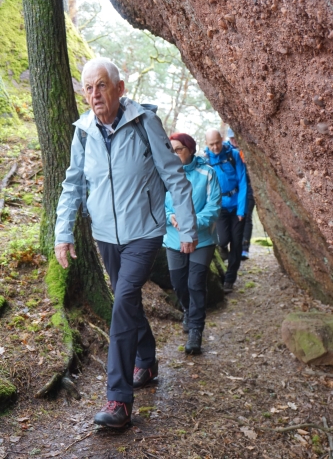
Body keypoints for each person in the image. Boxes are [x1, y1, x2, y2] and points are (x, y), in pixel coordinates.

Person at [54, 57, 198, 428]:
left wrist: (188, 228)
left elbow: (174, 176)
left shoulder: (143, 122)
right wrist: (63, 232)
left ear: (120, 87)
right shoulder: (83, 131)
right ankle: (147, 361)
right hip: (105, 235)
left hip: (144, 232)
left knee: (122, 302)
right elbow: (73, 184)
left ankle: (118, 399)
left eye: (101, 85)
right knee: (128, 301)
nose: (94, 94)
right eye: (88, 88)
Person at [164, 133, 221, 354]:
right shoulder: (165, 174)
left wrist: (190, 223)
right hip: (173, 237)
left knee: (196, 283)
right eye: (171, 150)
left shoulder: (207, 173)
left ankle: (196, 329)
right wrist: (171, 217)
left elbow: (214, 207)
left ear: (190, 149)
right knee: (178, 283)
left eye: (178, 149)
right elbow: (157, 203)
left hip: (202, 238)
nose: (174, 153)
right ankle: (188, 310)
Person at [205, 129, 247, 294]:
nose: (215, 147)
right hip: (219, 206)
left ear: (222, 139)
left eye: (217, 142)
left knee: (236, 243)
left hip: (237, 204)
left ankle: (230, 279)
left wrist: (242, 210)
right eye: (211, 144)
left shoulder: (233, 155)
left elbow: (243, 182)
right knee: (222, 240)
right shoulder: (205, 160)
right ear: (207, 144)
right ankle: (222, 249)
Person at [226, 127, 255, 260]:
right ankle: (230, 246)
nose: (234, 140)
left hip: (248, 187)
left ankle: (244, 248)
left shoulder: (247, 150)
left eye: (235, 137)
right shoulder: (226, 151)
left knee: (246, 216)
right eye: (232, 138)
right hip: (232, 190)